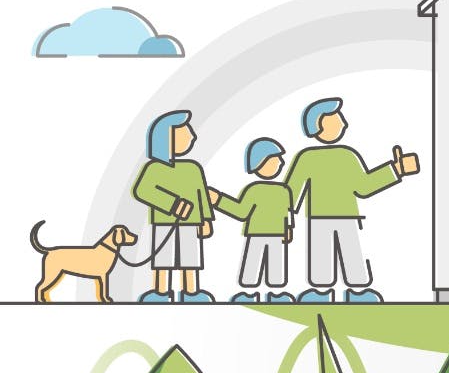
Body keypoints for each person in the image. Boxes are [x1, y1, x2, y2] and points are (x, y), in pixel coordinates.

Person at [285, 98, 409, 303]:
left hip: (347, 216)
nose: (343, 123)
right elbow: (290, 194)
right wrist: (285, 222)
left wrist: (396, 169)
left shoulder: (347, 156)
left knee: (351, 254)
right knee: (320, 256)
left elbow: (364, 186)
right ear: (319, 124)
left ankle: (358, 292)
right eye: (336, 118)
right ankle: (321, 292)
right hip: (318, 218)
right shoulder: (306, 158)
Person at [131, 110, 216, 303]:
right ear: (167, 138)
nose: (192, 135)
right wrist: (173, 205)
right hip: (164, 222)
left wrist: (206, 219)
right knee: (163, 258)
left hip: (191, 223)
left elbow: (201, 195)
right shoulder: (154, 168)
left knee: (190, 259)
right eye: (185, 131)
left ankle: (191, 292)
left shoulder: (193, 168)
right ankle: (161, 292)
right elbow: (142, 190)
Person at [210, 138, 295, 304]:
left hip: (278, 234)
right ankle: (249, 293)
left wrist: (289, 228)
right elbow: (240, 211)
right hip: (256, 234)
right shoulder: (253, 190)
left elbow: (288, 212)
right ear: (260, 163)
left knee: (276, 265)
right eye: (275, 158)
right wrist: (218, 200)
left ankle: (276, 294)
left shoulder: (284, 191)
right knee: (252, 263)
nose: (280, 162)